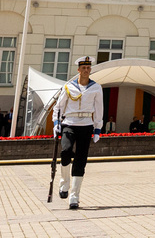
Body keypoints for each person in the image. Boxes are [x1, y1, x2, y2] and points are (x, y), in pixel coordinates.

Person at [54, 55, 104, 209]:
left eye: (88, 68)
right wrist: (56, 123)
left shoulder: (96, 87)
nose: (86, 70)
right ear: (78, 70)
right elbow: (58, 107)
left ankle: (74, 196)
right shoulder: (69, 87)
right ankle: (64, 184)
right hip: (69, 123)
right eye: (83, 68)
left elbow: (99, 109)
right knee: (66, 151)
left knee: (81, 160)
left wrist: (97, 128)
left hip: (86, 124)